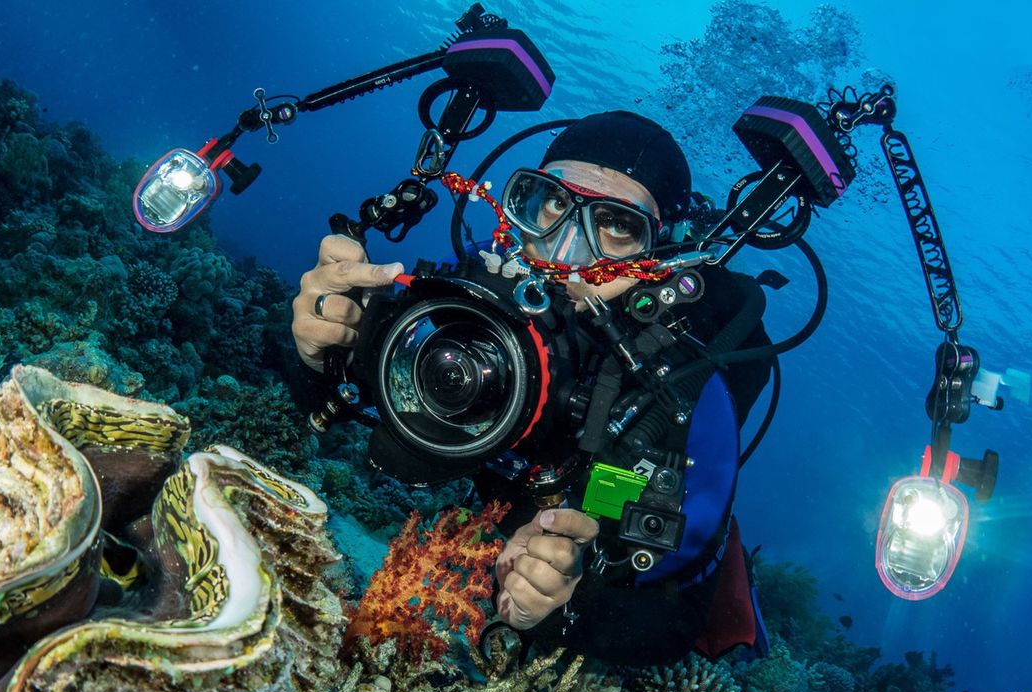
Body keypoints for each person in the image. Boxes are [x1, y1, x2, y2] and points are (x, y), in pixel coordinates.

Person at [291, 111, 772, 664]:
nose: (565, 252)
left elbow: (672, 621)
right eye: (549, 205)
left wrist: (570, 604)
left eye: (616, 226)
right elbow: (326, 412)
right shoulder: (471, 298)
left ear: (657, 259)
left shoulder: (679, 394)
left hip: (609, 495)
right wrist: (320, 354)